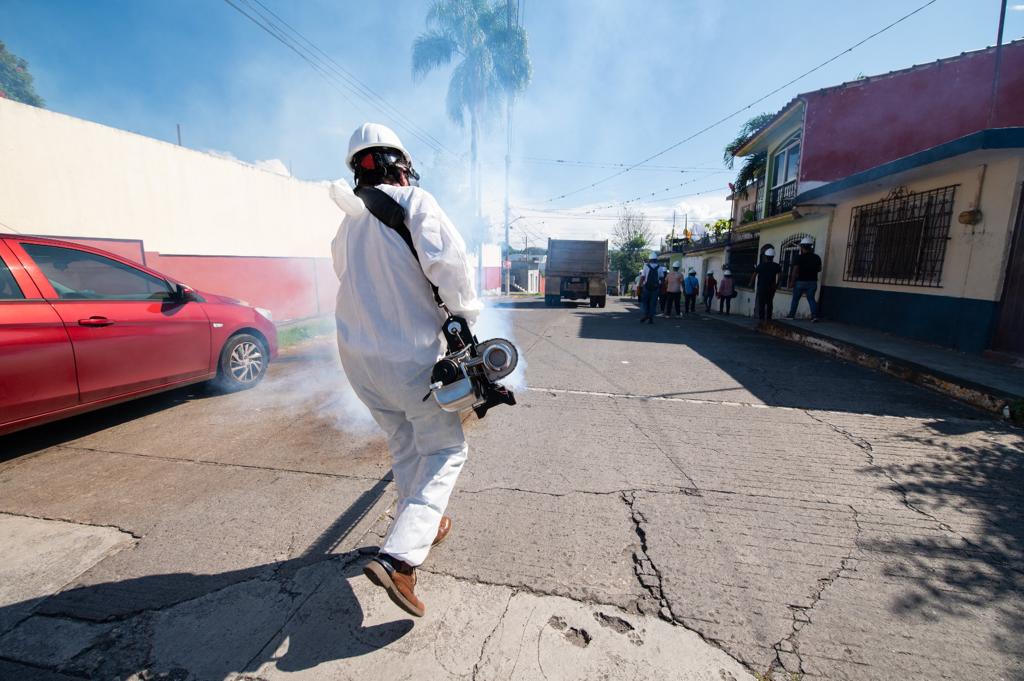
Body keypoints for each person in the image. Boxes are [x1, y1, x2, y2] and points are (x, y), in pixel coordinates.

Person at [330, 123, 482, 618]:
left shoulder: (347, 225)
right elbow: (453, 270)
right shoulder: (416, 203)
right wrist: (465, 321)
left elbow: (346, 276)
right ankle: (399, 557)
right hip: (408, 360)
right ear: (400, 164)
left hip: (358, 363)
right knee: (445, 448)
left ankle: (423, 522)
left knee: (405, 444)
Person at [787, 236, 822, 321]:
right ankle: (814, 316)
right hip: (812, 281)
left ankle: (791, 315)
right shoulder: (817, 257)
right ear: (811, 247)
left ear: (802, 247)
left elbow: (795, 270)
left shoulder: (798, 257)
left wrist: (792, 281)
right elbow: (819, 269)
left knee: (795, 299)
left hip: (800, 281)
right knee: (811, 299)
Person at [750, 247, 781, 321]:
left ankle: (761, 320)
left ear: (766, 257)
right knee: (770, 303)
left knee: (762, 304)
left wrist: (751, 283)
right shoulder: (776, 266)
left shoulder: (761, 265)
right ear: (773, 257)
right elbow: (780, 276)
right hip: (771, 288)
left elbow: (754, 275)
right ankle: (769, 319)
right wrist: (777, 284)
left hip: (761, 287)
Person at [638, 253, 661, 323]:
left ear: (650, 259)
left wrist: (639, 285)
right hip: (656, 288)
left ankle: (646, 314)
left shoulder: (646, 266)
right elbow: (661, 278)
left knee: (644, 302)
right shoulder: (660, 267)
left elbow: (642, 277)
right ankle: (651, 317)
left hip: (646, 287)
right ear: (656, 259)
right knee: (653, 303)